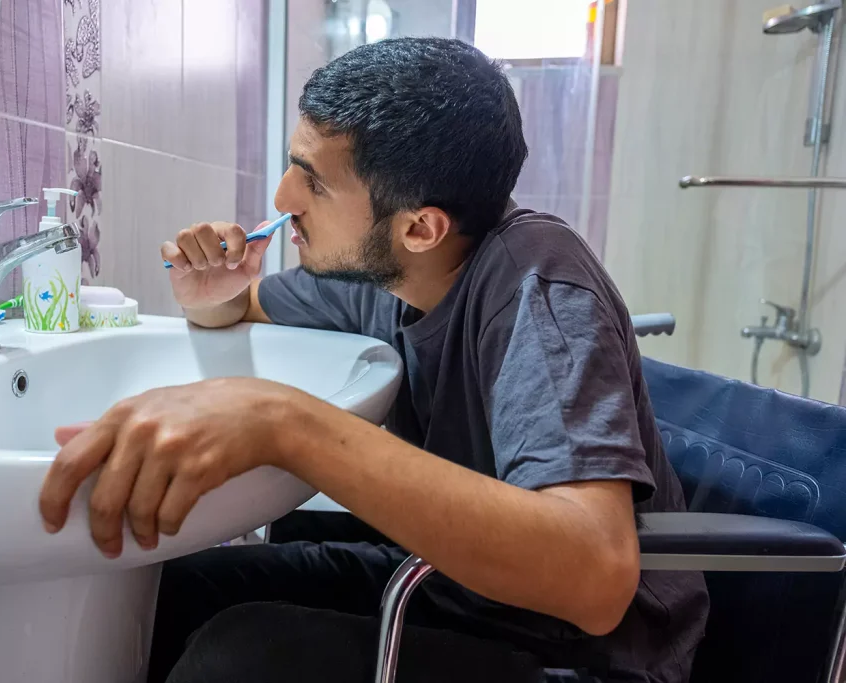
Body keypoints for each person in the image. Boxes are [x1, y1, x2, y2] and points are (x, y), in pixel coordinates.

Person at [38, 37, 709, 683]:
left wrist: (283, 422)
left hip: (588, 654)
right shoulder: (399, 272)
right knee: (166, 598)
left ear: (420, 226)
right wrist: (212, 295)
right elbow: (244, 308)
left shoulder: (537, 286)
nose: (280, 200)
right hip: (462, 592)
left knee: (237, 658)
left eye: (313, 184)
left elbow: (594, 577)